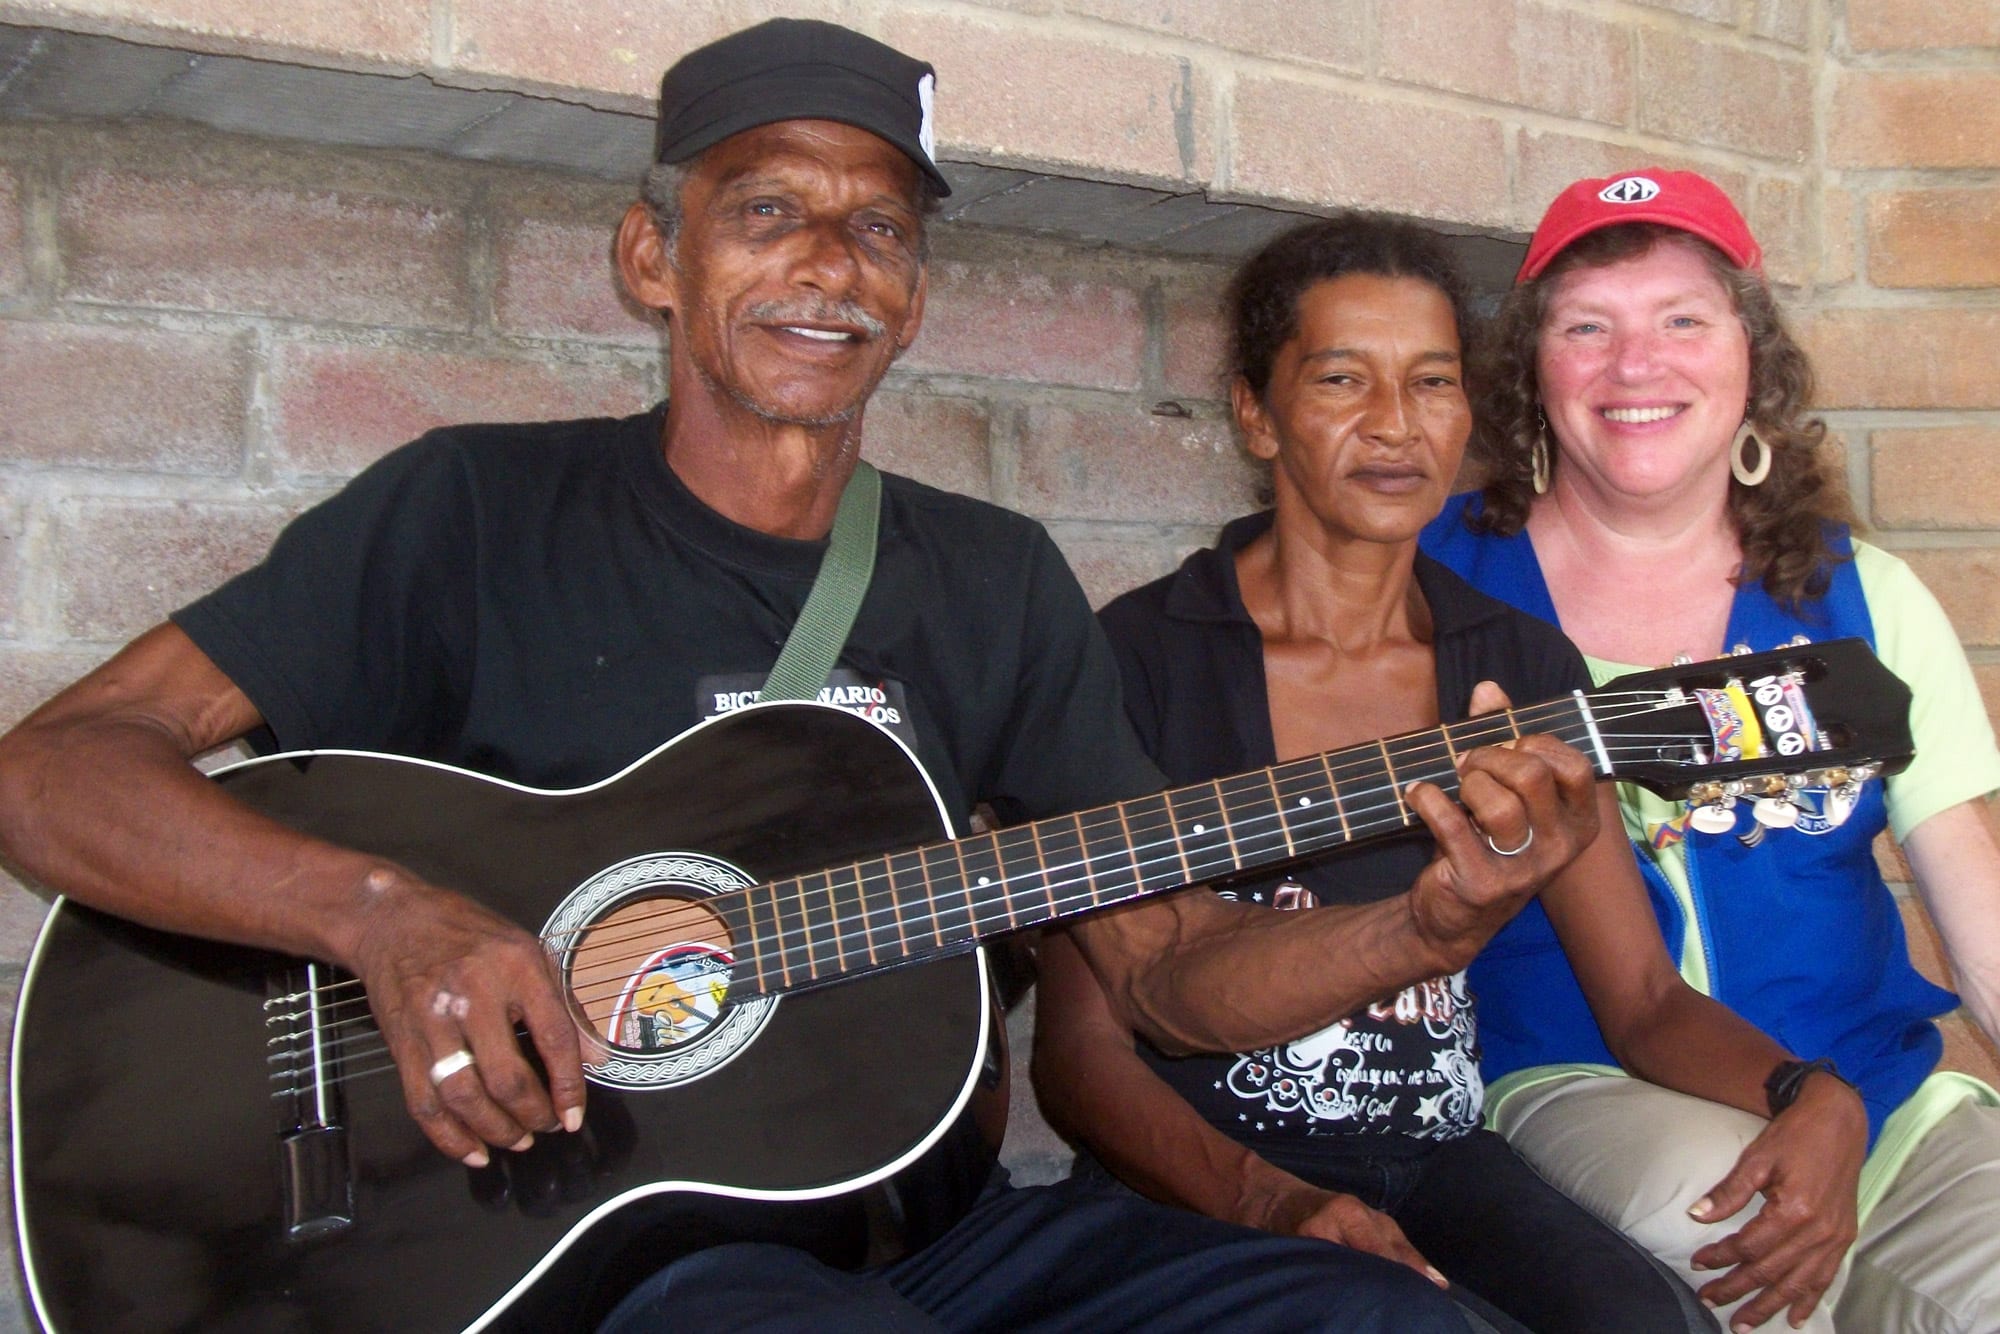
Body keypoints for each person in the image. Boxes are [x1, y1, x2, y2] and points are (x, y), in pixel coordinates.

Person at [0, 18, 1619, 1334]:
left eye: (880, 229)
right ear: (654, 254)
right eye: (768, 209)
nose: (830, 264)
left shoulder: (991, 580)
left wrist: (1429, 925)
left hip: (939, 1239)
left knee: (1383, 1316)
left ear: (914, 295)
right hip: (612, 1261)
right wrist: (384, 916)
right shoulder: (472, 510)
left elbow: (1169, 971)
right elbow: (54, 769)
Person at [1033, 215, 1873, 1334]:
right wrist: (1266, 1198)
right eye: (1342, 378)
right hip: (1200, 1182)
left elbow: (1642, 999)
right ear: (1256, 411)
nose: (1395, 423)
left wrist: (1808, 1091)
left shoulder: (1516, 668)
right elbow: (1080, 1052)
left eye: (1431, 382)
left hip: (1438, 1161)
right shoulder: (1138, 657)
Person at [1421, 169, 2000, 1333]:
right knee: (1742, 1246)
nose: (1636, 365)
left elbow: (1977, 920)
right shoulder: (1433, 588)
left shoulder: (1863, 597)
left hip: (1877, 1095)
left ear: (1750, 357)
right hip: (1582, 1081)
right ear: (1531, 368)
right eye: (1587, 327)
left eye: (1682, 319)